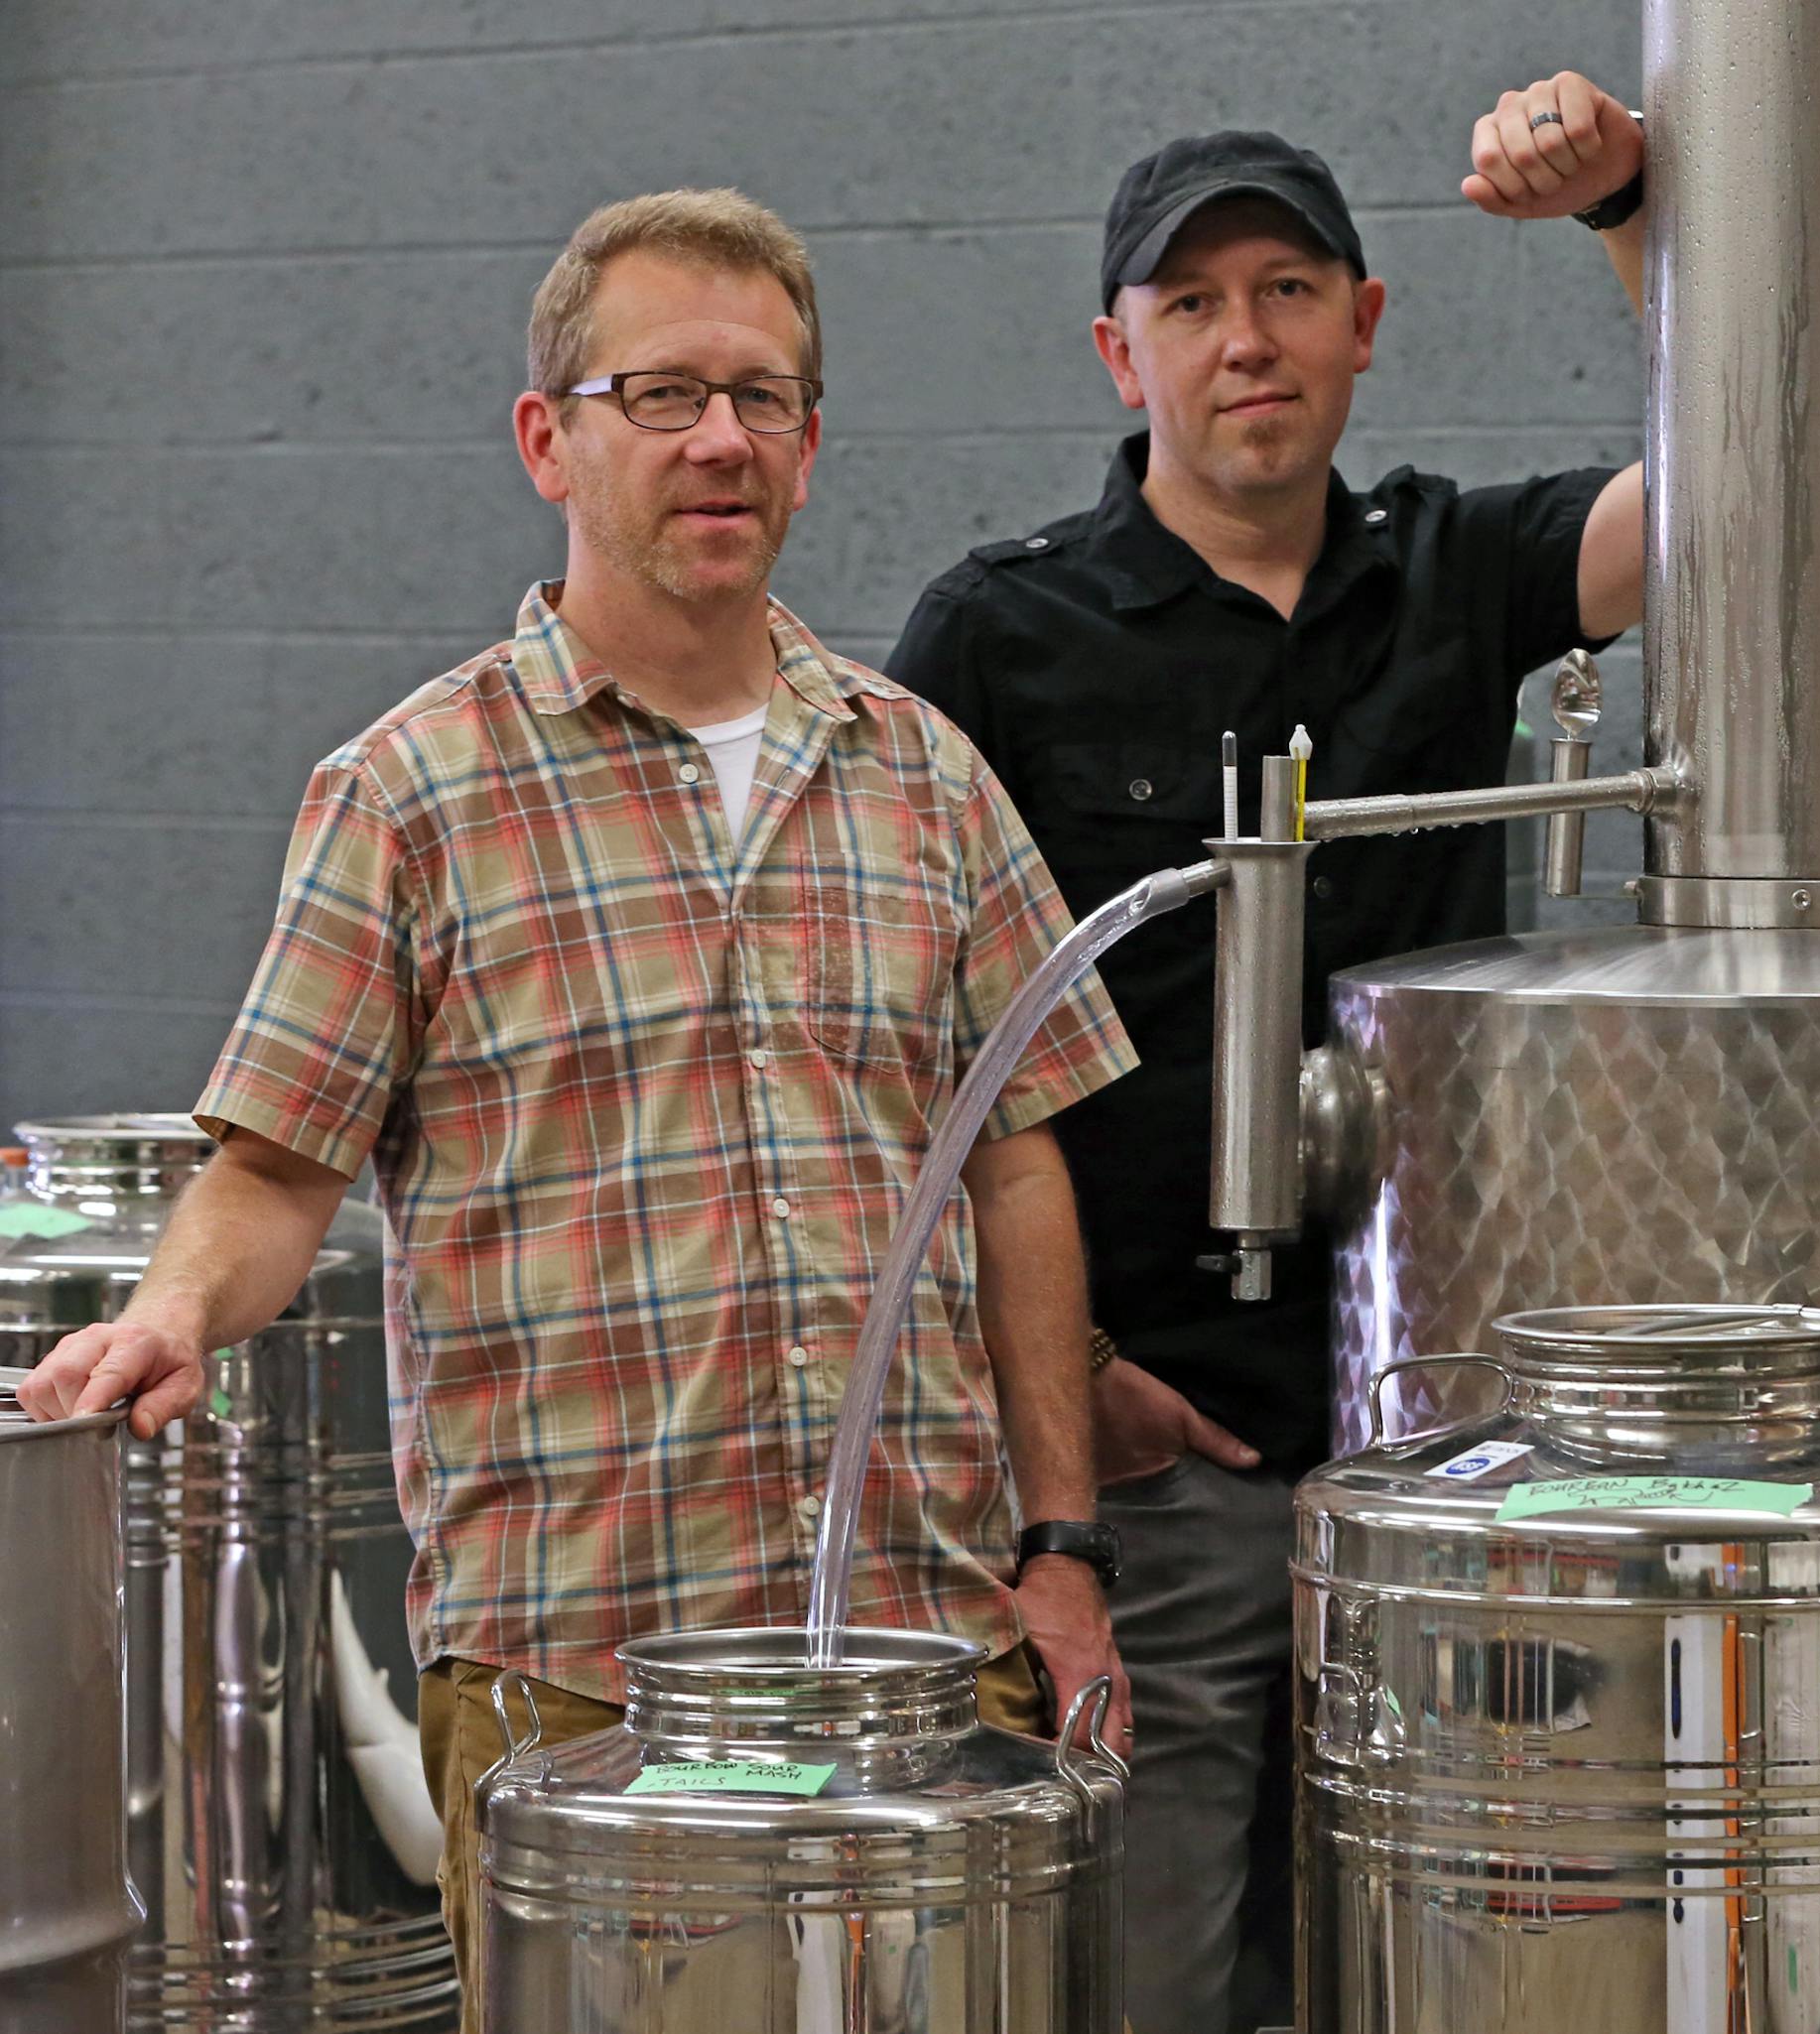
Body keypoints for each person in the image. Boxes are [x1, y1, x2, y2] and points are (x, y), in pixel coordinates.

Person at [12, 188, 1137, 2023]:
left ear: (813, 442)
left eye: (765, 398)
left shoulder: (923, 774)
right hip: (590, 1691)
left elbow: (1016, 1170)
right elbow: (277, 1167)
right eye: (665, 392)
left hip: (925, 1667)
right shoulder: (410, 792)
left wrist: (1065, 1548)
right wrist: (167, 1311)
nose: (721, 439)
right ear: (551, 437)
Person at [885, 75, 1648, 2034]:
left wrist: (1636, 212)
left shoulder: (1457, 572)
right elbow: (898, 1046)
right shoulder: (1002, 632)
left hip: (1442, 1450)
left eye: (1292, 286)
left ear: (1366, 323)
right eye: (1197, 300)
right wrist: (1069, 1391)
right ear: (1116, 350)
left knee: (1435, 1961)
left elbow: (1757, 479)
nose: (1249, 338)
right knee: (1140, 1964)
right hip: (1158, 1454)